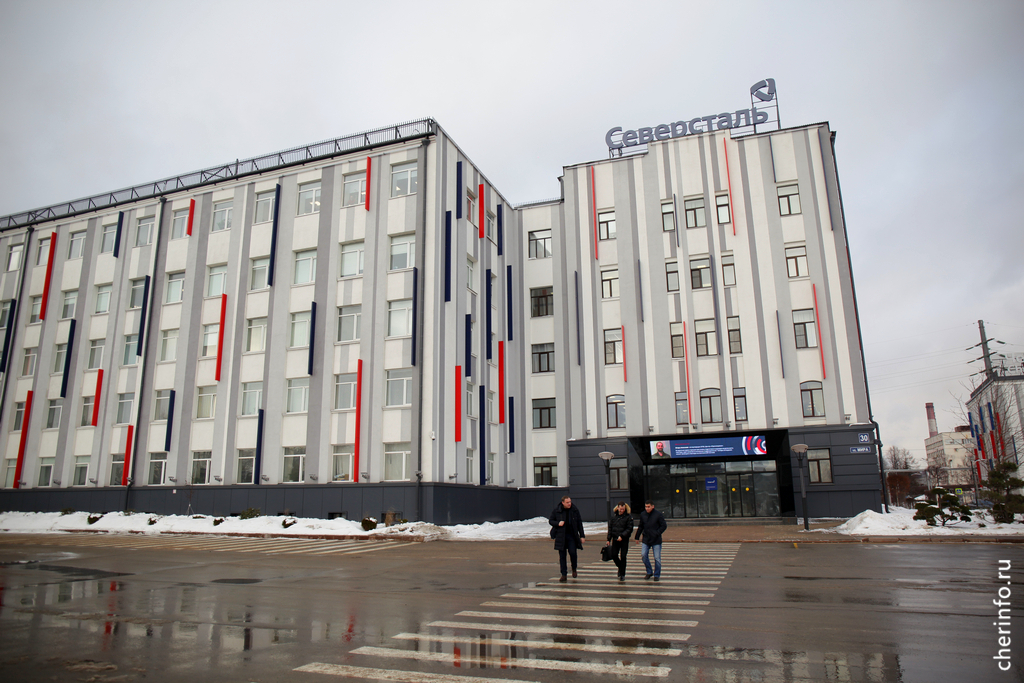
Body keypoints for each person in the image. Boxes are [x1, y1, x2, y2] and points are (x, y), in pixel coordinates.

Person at [549, 495, 585, 582]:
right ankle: (563, 574)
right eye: (567, 502)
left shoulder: (574, 510)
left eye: (570, 502)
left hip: (572, 535)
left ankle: (574, 568)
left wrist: (582, 535)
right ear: (563, 503)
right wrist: (558, 523)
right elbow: (551, 521)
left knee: (573, 553)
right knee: (562, 556)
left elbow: (579, 523)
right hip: (561, 536)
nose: (569, 504)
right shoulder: (557, 510)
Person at [633, 500, 667, 581]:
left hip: (656, 540)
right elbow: (641, 526)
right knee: (643, 555)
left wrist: (657, 533)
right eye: (646, 507)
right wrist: (637, 537)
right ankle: (649, 571)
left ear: (652, 506)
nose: (647, 508)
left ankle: (656, 575)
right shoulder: (643, 514)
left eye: (648, 507)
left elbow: (664, 525)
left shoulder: (658, 514)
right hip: (646, 539)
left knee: (657, 558)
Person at [606, 501, 634, 581]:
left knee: (623, 556)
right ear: (617, 508)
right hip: (615, 539)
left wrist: (622, 536)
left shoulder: (628, 517)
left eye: (623, 509)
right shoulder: (614, 517)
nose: (622, 511)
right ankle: (620, 567)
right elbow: (610, 528)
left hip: (624, 540)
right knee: (614, 555)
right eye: (620, 509)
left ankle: (622, 574)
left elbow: (629, 528)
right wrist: (608, 539)